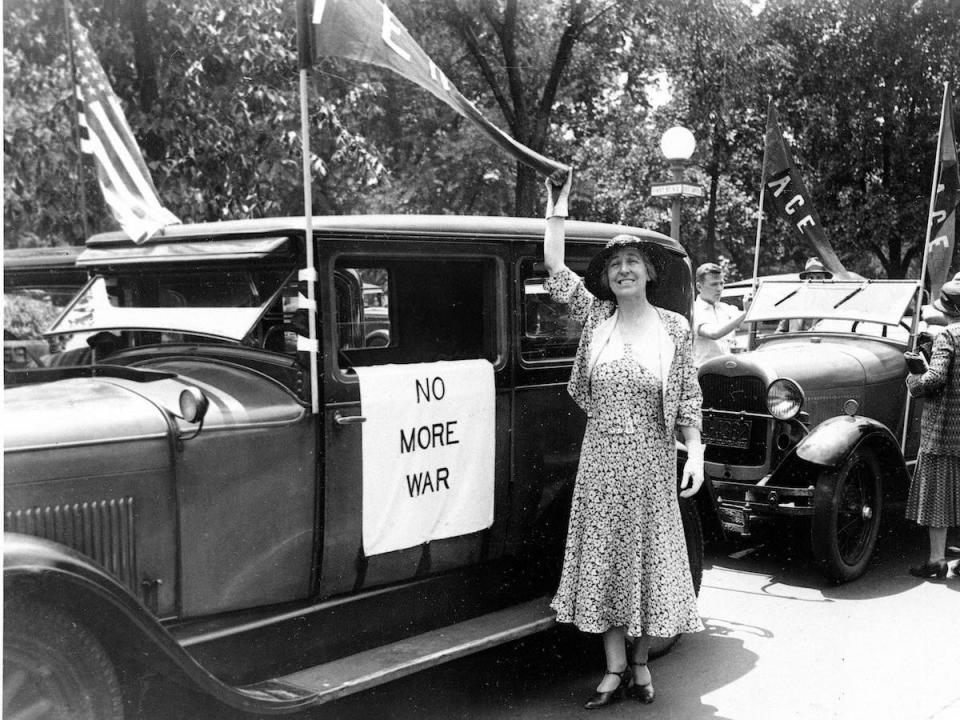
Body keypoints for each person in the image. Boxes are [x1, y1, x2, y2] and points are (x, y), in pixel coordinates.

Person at [541, 171, 704, 708]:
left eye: (633, 262)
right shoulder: (597, 320)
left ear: (649, 272)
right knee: (606, 563)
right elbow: (555, 270)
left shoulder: (675, 328)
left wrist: (696, 451)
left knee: (648, 567)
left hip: (652, 468)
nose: (624, 270)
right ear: (607, 279)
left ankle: (640, 663)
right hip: (601, 466)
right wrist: (556, 208)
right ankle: (613, 667)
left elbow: (686, 396)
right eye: (615, 265)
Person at [904, 277, 960, 579]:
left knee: (939, 496)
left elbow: (934, 379)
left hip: (944, 430)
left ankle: (937, 561)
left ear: (948, 309)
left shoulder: (948, 336)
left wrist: (914, 375)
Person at [692, 262, 750, 365]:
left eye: (721, 283)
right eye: (714, 284)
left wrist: (753, 306)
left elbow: (751, 326)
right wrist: (745, 313)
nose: (719, 289)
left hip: (729, 371)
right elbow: (714, 334)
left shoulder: (727, 309)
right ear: (699, 287)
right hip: (704, 373)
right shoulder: (693, 310)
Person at [776, 257, 833, 333]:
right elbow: (780, 331)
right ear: (805, 280)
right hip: (795, 343)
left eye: (819, 277)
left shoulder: (832, 303)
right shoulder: (793, 302)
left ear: (824, 280)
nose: (814, 281)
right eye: (811, 278)